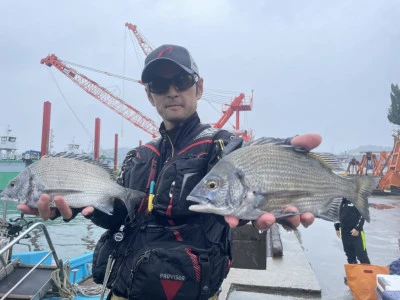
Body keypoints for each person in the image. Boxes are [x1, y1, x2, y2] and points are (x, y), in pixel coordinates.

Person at [18, 44, 320, 300]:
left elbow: (247, 172)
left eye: (181, 80)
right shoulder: (139, 156)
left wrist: (280, 178)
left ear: (198, 87)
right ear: (150, 96)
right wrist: (73, 207)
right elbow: (119, 216)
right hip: (121, 290)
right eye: (160, 86)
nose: (172, 91)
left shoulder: (221, 146)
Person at [334, 197, 371, 265]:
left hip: (356, 233)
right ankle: (354, 274)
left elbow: (363, 214)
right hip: (344, 232)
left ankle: (367, 274)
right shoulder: (341, 200)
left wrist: (357, 228)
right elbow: (337, 214)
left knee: (362, 255)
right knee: (350, 256)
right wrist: (337, 227)